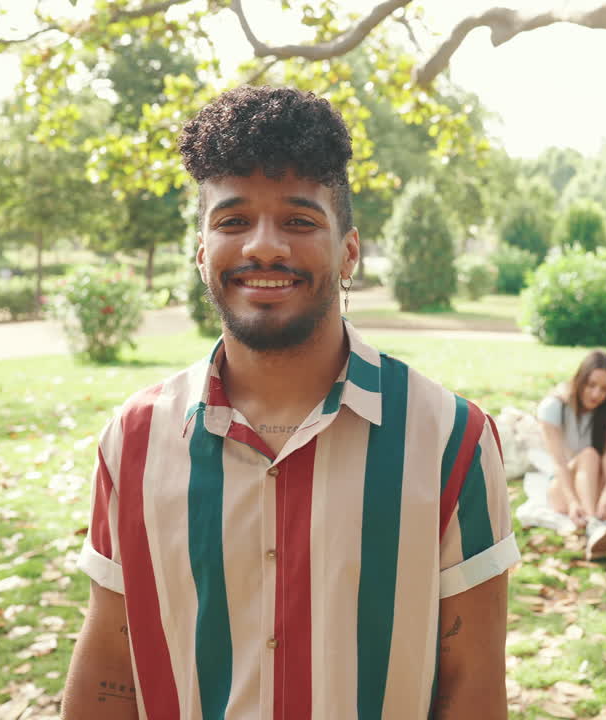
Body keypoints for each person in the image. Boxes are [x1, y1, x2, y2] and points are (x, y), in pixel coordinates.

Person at [62, 86, 518, 720]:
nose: (263, 247)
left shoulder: (452, 440)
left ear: (349, 251)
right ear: (201, 253)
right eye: (233, 220)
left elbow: (472, 681)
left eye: (299, 221)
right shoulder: (134, 440)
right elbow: (111, 660)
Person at [538, 351, 606, 563]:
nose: (596, 394)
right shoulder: (553, 407)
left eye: (604, 389)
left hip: (598, 486)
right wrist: (572, 502)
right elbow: (559, 462)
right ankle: (593, 525)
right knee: (589, 455)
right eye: (591, 384)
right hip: (565, 487)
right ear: (579, 380)